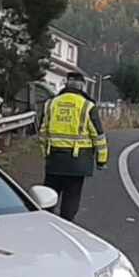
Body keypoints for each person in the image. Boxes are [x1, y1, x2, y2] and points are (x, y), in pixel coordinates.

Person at [38, 72, 108, 222]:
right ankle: (66, 225)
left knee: (49, 196)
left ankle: (45, 224)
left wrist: (46, 154)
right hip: (78, 162)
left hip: (54, 158)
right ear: (82, 85)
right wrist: (102, 160)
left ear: (66, 84)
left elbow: (42, 132)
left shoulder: (51, 103)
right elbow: (98, 136)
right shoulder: (87, 105)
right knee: (71, 197)